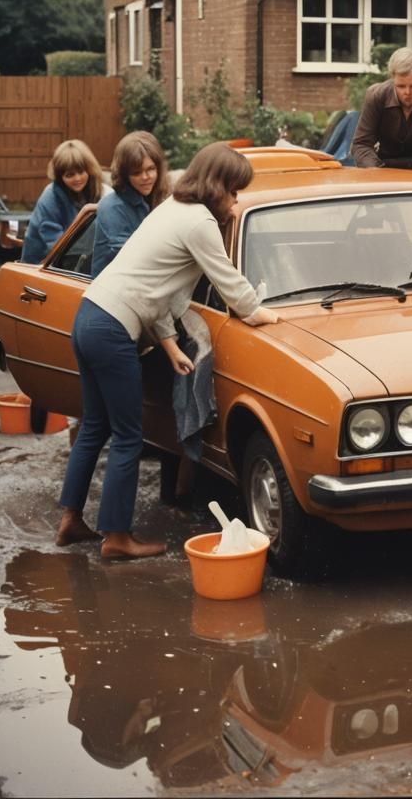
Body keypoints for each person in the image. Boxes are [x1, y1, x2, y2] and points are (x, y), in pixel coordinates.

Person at [55, 143, 282, 560]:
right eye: (234, 191)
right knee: (128, 435)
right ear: (218, 185)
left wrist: (170, 344)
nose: (235, 201)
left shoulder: (171, 208)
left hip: (90, 315)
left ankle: (70, 520)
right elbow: (229, 282)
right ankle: (117, 537)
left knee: (95, 426)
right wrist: (257, 311)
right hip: (112, 329)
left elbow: (157, 288)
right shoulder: (200, 222)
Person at [350, 47, 412, 170]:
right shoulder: (376, 96)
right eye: (401, 86)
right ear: (393, 78)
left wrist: (393, 165)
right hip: (379, 166)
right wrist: (375, 169)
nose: (407, 92)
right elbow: (361, 144)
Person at [91, 131, 170, 276]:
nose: (146, 177)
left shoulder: (162, 202)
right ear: (125, 175)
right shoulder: (111, 206)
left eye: (151, 169)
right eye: (137, 173)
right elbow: (133, 258)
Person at [21, 140, 107, 264]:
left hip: (76, 256)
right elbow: (54, 245)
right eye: (70, 175)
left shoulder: (96, 190)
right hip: (41, 263)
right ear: (60, 176)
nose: (77, 178)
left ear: (89, 170)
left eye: (81, 172)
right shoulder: (50, 198)